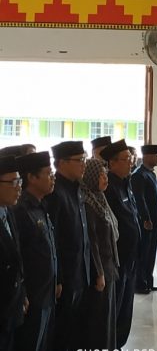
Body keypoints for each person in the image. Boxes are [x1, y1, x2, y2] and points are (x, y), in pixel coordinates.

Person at [46, 141, 90, 351]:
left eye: (84, 159)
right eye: (79, 160)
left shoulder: (77, 189)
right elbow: (54, 240)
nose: (84, 165)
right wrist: (60, 278)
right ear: (62, 163)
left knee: (75, 329)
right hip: (66, 276)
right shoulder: (55, 193)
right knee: (63, 333)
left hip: (80, 273)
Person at [13, 152, 58, 351]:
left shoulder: (41, 205)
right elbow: (19, 256)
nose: (53, 177)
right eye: (48, 173)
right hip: (33, 295)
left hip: (46, 293)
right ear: (31, 177)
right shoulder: (21, 210)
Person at [100, 139, 140, 348]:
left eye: (130, 158)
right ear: (112, 163)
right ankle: (111, 342)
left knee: (126, 305)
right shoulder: (109, 188)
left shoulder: (127, 183)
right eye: (126, 159)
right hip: (118, 258)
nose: (131, 162)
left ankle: (119, 342)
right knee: (116, 305)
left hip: (131, 256)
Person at [80, 158, 119, 350]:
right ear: (92, 176)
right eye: (102, 175)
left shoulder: (100, 198)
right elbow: (92, 241)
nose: (106, 179)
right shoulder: (88, 203)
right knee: (98, 318)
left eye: (106, 174)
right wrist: (100, 272)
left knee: (108, 315)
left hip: (109, 263)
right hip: (100, 268)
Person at [0, 155, 27, 351]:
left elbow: (17, 257)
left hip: (12, 307)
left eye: (20, 181)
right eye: (13, 182)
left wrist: (22, 294)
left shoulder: (9, 212)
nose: (19, 188)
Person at [130, 144, 157, 294]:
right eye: (155, 156)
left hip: (154, 220)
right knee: (143, 253)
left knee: (151, 252)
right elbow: (140, 199)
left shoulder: (151, 174)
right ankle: (140, 282)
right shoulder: (139, 175)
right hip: (146, 222)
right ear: (147, 156)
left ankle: (148, 279)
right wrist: (146, 218)